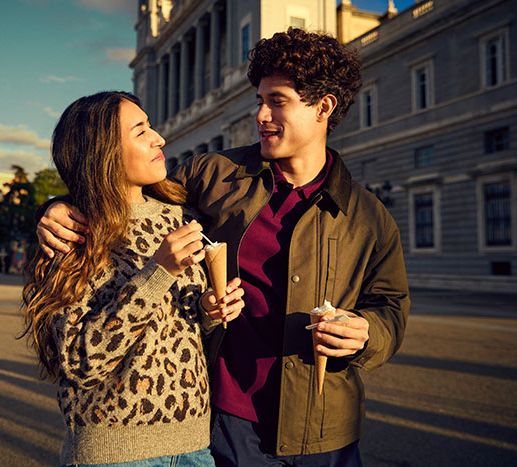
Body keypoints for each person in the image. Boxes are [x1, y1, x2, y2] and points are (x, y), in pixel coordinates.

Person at [35, 29, 411, 466]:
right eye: (259, 100)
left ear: (323, 108)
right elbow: (121, 187)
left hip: (327, 429)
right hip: (228, 426)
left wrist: (367, 333)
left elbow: (390, 305)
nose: (262, 115)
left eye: (278, 101)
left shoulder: (369, 215)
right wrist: (60, 205)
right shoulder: (211, 175)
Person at [21, 91, 244, 467]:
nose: (159, 138)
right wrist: (159, 271)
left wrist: (208, 309)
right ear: (102, 151)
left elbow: (173, 328)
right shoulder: (73, 231)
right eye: (141, 131)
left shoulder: (180, 215)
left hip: (196, 447)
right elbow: (81, 360)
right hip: (116, 455)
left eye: (150, 126)